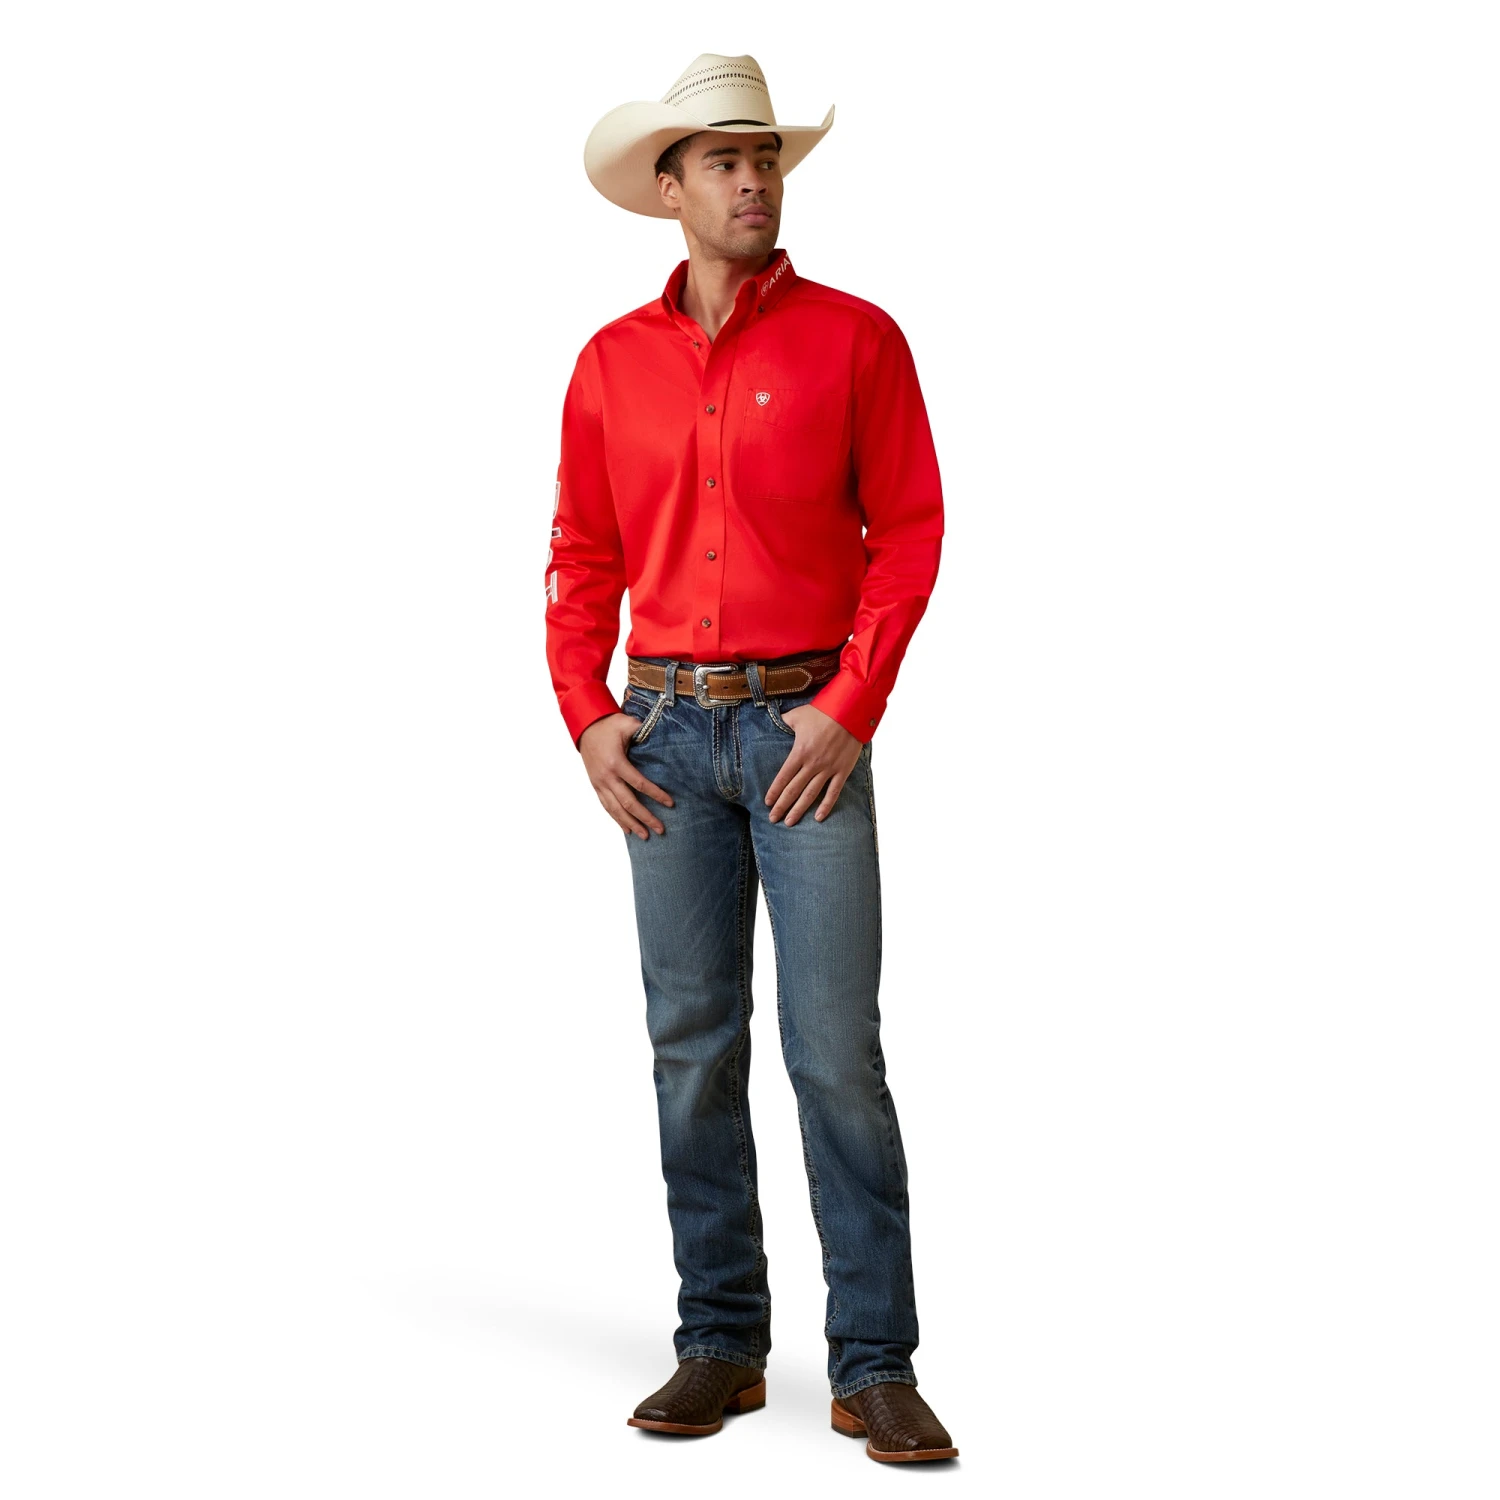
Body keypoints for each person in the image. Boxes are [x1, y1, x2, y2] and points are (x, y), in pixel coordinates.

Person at [545, 52, 956, 1464]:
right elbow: (581, 553)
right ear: (669, 187)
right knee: (691, 1049)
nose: (754, 180)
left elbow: (909, 531)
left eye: (765, 156)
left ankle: (874, 1362)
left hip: (804, 736)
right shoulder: (609, 366)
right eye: (724, 159)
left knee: (835, 1052)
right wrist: (585, 711)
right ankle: (719, 1341)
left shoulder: (857, 341)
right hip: (663, 735)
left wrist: (851, 704)